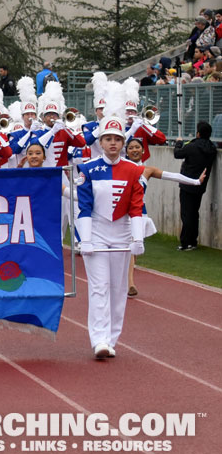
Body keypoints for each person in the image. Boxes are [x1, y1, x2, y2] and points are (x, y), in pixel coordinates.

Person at [76, 117, 145, 360]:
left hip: (122, 232)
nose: (113, 143)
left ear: (123, 142)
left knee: (117, 288)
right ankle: (99, 340)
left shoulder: (135, 170)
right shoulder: (87, 168)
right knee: (99, 287)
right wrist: (85, 239)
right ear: (101, 142)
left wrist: (138, 237)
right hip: (96, 230)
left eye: (117, 139)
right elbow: (84, 207)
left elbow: (137, 207)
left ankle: (112, 338)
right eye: (108, 139)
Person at [123, 138, 205, 296]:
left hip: (140, 213)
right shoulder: (120, 168)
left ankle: (126, 277)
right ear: (126, 151)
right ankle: (130, 284)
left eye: (137, 147)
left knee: (133, 250)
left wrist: (195, 182)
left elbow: (172, 176)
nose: (134, 150)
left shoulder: (148, 170)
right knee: (129, 249)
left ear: (143, 151)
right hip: (122, 214)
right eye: (131, 147)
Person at [173, 121, 216, 251]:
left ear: (198, 133)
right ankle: (193, 241)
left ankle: (185, 243)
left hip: (187, 183)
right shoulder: (212, 149)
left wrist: (178, 143)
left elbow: (177, 154)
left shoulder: (192, 146)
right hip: (200, 186)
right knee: (194, 213)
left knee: (186, 214)